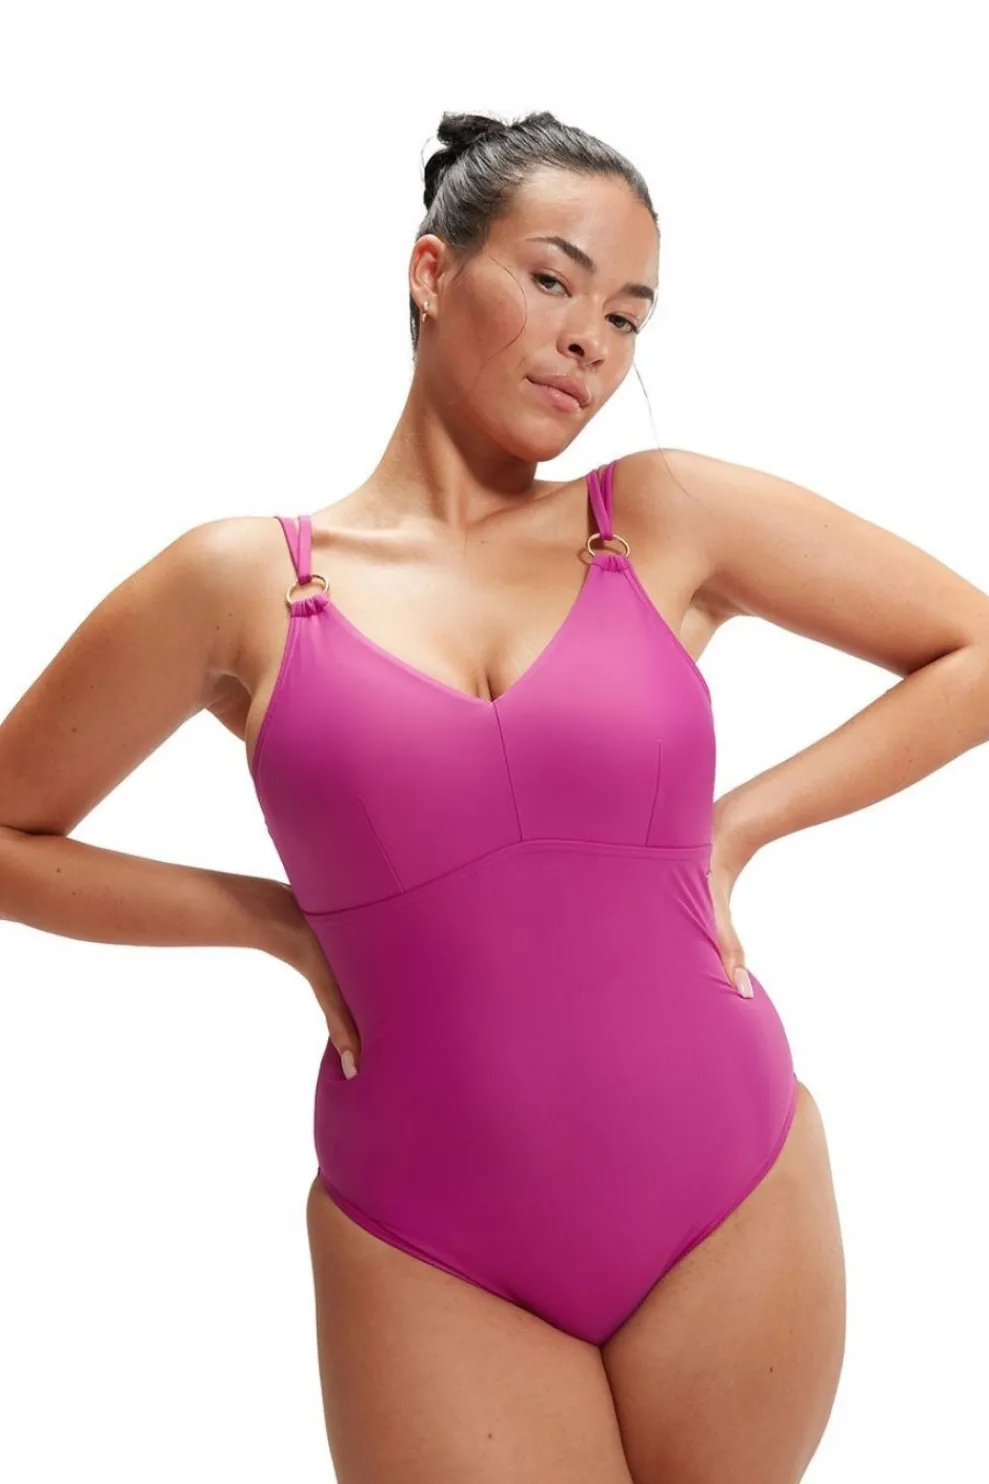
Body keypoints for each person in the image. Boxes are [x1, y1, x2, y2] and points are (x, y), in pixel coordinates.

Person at [3, 108, 988, 1483]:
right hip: (430, 1241)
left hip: (728, 1193)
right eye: (554, 281)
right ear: (431, 271)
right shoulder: (243, 581)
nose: (593, 341)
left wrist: (740, 828)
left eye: (629, 316)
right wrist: (274, 923)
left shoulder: (660, 516)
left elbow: (970, 650)